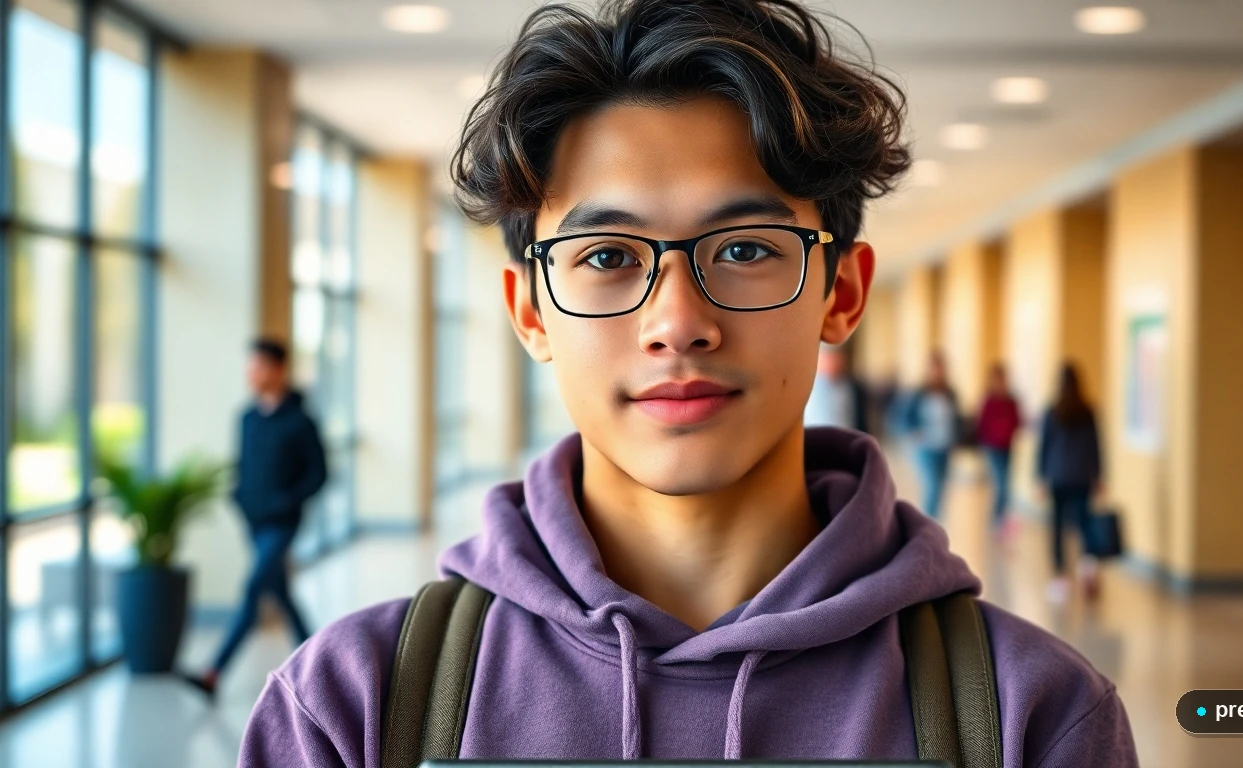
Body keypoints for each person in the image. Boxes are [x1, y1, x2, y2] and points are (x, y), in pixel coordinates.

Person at [240, 1, 1136, 764]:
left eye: (744, 250)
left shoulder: (1030, 716)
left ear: (842, 293)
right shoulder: (352, 708)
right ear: (530, 312)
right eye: (607, 256)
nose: (677, 321)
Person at [184, 338, 327, 701]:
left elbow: (319, 474)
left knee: (252, 591)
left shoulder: (301, 421)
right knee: (280, 595)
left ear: (278, 370)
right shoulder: (246, 418)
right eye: (250, 367)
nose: (252, 373)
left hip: (282, 524)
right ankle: (321, 665)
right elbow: (244, 466)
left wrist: (287, 500)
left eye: (259, 366)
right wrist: (239, 496)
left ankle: (214, 673)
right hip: (253, 522)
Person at [1037, 362, 1104, 605]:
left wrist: (1041, 476)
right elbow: (1096, 445)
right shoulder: (1088, 411)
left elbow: (1044, 446)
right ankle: (1087, 565)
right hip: (1082, 476)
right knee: (1084, 522)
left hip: (1058, 475)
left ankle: (1060, 576)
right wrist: (1099, 476)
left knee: (1057, 526)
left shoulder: (1052, 411)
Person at [900, 352, 960, 519]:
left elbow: (956, 419)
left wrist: (957, 437)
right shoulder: (918, 393)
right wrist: (914, 431)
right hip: (925, 446)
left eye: (940, 368)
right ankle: (927, 522)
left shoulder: (950, 393)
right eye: (934, 369)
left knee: (941, 486)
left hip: (944, 445)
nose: (937, 372)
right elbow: (903, 418)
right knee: (932, 484)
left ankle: (935, 520)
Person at [977, 363, 1022, 535]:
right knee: (1001, 484)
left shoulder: (1011, 400)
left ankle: (1000, 518)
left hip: (1007, 447)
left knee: (1005, 484)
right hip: (992, 447)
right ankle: (997, 519)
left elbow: (1018, 421)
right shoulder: (989, 400)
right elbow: (981, 424)